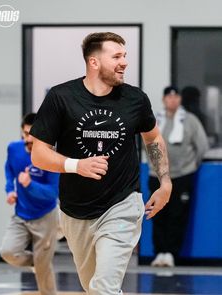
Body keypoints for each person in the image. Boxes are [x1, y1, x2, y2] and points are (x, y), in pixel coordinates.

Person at [30, 32, 172, 295]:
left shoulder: (135, 99)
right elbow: (39, 154)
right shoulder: (62, 97)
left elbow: (153, 140)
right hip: (76, 211)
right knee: (93, 287)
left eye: (125, 56)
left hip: (122, 205)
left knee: (103, 287)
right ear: (94, 62)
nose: (124, 62)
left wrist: (165, 182)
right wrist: (76, 165)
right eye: (116, 56)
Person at [0, 113, 60, 295]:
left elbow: (52, 193)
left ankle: (42, 266)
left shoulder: (52, 156)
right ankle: (38, 261)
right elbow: (9, 170)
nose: (29, 139)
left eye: (33, 134)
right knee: (8, 252)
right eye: (25, 134)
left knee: (43, 273)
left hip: (46, 216)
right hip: (21, 214)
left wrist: (29, 184)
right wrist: (10, 190)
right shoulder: (13, 149)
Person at [149, 86, 209, 267]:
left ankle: (171, 254)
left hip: (182, 175)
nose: (172, 100)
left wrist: (189, 166)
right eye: (169, 97)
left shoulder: (190, 121)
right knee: (157, 215)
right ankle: (159, 253)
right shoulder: (154, 120)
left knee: (177, 215)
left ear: (180, 100)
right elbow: (148, 144)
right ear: (164, 99)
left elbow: (202, 147)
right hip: (157, 176)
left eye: (176, 97)